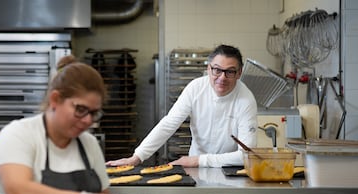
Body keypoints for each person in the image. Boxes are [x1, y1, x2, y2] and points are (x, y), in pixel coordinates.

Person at [0, 55, 129, 194]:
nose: (88, 120)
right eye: (81, 109)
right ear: (55, 100)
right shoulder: (19, 135)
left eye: (94, 113)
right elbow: (19, 193)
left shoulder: (88, 144)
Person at [107, 44, 257, 168]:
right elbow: (169, 124)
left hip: (229, 168)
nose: (222, 78)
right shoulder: (196, 88)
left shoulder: (246, 99)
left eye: (230, 72)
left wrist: (199, 160)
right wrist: (137, 157)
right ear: (208, 69)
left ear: (239, 73)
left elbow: (246, 154)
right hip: (196, 169)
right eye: (217, 70)